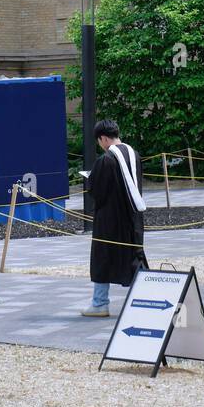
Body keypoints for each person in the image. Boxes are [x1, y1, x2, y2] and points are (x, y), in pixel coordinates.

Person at [81, 120, 146, 317]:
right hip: (132, 217)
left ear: (103, 138)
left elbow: (97, 191)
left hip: (110, 219)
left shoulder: (106, 160)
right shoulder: (134, 155)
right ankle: (144, 299)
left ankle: (100, 303)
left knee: (103, 258)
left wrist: (89, 180)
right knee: (133, 256)